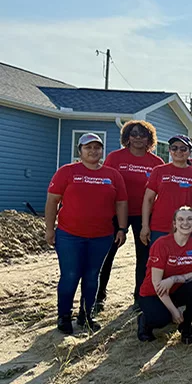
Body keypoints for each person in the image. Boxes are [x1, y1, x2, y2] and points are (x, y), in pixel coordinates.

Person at [45, 133, 128, 334]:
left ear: (102, 150)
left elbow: (121, 203)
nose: (93, 151)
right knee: (71, 275)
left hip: (101, 236)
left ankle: (86, 315)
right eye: (88, 147)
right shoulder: (67, 172)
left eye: (97, 147)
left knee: (92, 276)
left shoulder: (113, 175)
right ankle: (64, 315)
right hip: (69, 235)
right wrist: (49, 229)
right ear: (79, 150)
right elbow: (52, 201)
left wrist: (122, 228)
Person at [95, 120, 163, 310]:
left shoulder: (156, 163)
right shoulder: (115, 158)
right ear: (127, 137)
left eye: (143, 134)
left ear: (149, 138)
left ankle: (140, 297)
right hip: (117, 213)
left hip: (145, 215)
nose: (138, 138)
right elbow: (105, 185)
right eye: (134, 134)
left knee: (144, 257)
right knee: (107, 254)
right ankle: (99, 296)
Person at [136, 207, 192, 344]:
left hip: (176, 289)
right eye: (180, 219)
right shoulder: (161, 244)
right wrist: (173, 311)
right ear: (174, 224)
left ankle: (186, 326)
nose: (185, 223)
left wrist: (174, 279)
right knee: (162, 319)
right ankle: (145, 321)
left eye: (189, 219)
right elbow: (157, 284)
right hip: (153, 293)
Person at [141, 135, 192, 246]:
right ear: (170, 150)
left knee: (187, 262)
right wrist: (145, 226)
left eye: (183, 149)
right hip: (161, 227)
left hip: (188, 227)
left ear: (189, 152)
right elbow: (148, 199)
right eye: (174, 148)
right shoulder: (159, 171)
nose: (178, 151)